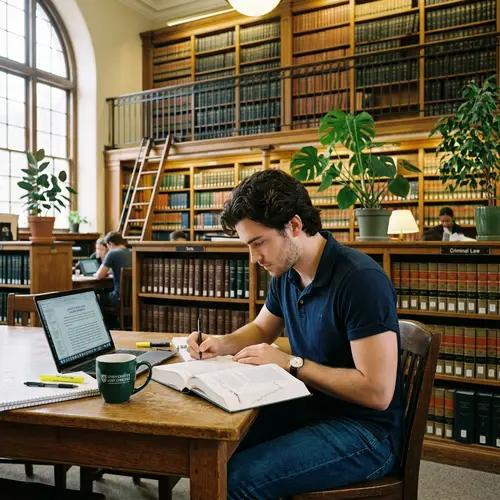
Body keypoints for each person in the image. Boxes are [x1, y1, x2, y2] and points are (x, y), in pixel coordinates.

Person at [185, 170, 404, 499]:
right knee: (211, 451)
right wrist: (220, 344)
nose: (254, 258)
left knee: (232, 480)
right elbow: (261, 328)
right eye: (248, 245)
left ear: (295, 226)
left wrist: (291, 363)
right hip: (311, 409)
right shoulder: (286, 275)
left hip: (365, 433)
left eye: (259, 243)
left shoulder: (360, 281)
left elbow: (377, 392)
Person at [95, 231, 132, 308]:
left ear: (111, 244)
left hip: (118, 298)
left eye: (108, 247)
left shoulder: (112, 253)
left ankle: (104, 320)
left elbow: (99, 276)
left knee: (96, 296)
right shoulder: (132, 252)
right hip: (132, 298)